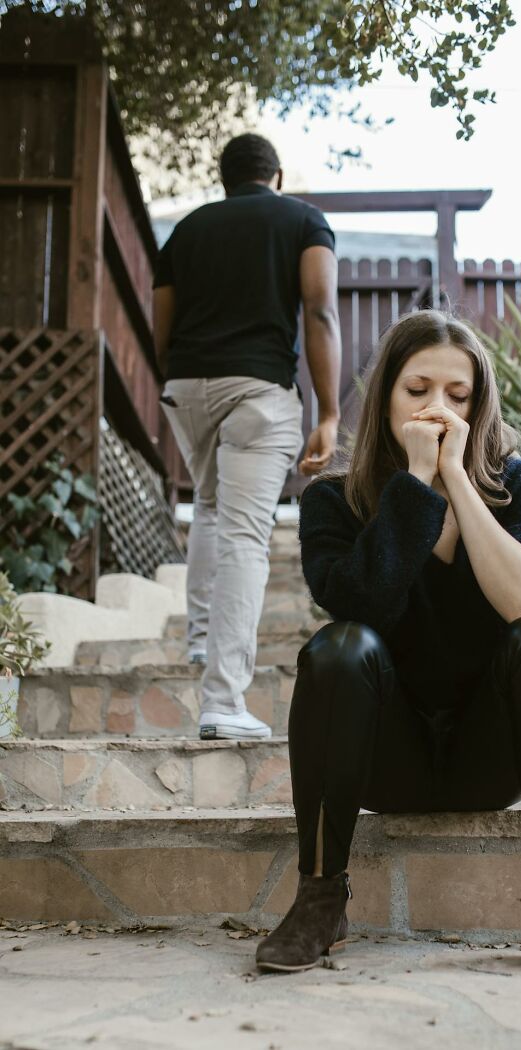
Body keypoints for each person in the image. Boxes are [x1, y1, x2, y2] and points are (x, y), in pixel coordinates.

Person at [255, 309, 521, 982]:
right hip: (385, 757)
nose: (437, 408)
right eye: (418, 389)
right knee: (338, 648)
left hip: (488, 759)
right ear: (385, 399)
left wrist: (458, 480)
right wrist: (414, 484)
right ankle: (320, 898)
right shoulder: (333, 501)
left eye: (457, 395)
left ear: (479, 404)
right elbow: (364, 605)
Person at [152, 132, 341, 741]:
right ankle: (224, 700)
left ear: (225, 178)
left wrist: (177, 377)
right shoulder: (303, 220)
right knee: (244, 534)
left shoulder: (187, 230)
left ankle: (201, 641)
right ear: (276, 176)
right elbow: (320, 310)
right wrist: (330, 411)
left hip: (187, 387)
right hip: (258, 390)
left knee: (208, 505)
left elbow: (164, 322)